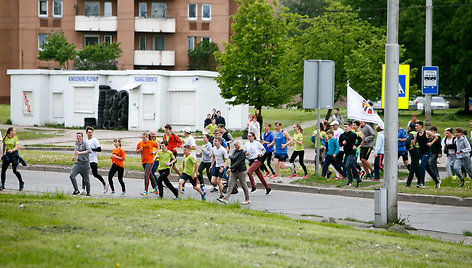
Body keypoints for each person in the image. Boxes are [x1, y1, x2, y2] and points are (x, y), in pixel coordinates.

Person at [217, 140, 250, 204]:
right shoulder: (234, 151)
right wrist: (230, 167)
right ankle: (225, 198)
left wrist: (230, 168)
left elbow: (238, 162)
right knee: (230, 184)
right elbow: (231, 159)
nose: (235, 146)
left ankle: (247, 199)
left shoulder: (242, 153)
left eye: (236, 145)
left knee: (243, 185)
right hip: (233, 171)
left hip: (241, 171)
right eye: (234, 145)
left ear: (239, 145)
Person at [412, 121, 440, 188]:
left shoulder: (427, 133)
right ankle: (437, 181)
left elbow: (436, 137)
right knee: (428, 168)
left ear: (421, 126)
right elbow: (415, 144)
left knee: (421, 166)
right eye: (415, 126)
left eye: (417, 126)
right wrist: (413, 143)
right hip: (421, 153)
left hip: (427, 152)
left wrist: (431, 143)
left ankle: (421, 183)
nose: (416, 127)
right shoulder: (416, 134)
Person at [84, 126, 108, 195]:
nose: (90, 134)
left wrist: (92, 149)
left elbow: (99, 149)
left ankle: (104, 184)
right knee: (84, 174)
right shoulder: (85, 141)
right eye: (89, 132)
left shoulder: (95, 140)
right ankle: (83, 189)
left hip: (93, 160)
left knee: (95, 174)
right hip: (86, 160)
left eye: (91, 132)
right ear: (86, 133)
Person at [338, 122, 363, 187]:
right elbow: (339, 144)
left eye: (346, 127)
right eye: (344, 127)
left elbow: (360, 139)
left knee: (347, 165)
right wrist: (342, 143)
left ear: (350, 127)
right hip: (346, 153)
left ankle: (350, 181)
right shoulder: (342, 135)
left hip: (352, 153)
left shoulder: (353, 134)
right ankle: (358, 179)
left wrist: (356, 145)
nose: (345, 128)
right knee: (351, 166)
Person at [0, 127, 25, 191]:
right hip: (8, 155)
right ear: (10, 132)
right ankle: (2, 185)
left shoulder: (15, 138)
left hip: (14, 155)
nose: (15, 132)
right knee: (3, 170)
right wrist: (2, 154)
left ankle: (21, 182)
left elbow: (16, 147)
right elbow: (4, 146)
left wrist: (12, 150)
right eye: (14, 131)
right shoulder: (5, 138)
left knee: (15, 171)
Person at [136, 132, 159, 196]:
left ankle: (145, 191)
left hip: (150, 160)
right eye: (142, 138)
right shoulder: (140, 143)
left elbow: (158, 147)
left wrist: (154, 151)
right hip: (143, 161)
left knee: (146, 175)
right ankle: (156, 188)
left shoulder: (151, 142)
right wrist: (139, 150)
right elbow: (137, 151)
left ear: (147, 137)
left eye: (144, 138)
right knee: (150, 174)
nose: (143, 139)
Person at [405, 123, 421, 187]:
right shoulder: (417, 133)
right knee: (412, 168)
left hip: (414, 151)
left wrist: (408, 148)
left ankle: (420, 182)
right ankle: (408, 183)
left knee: (416, 168)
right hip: (418, 151)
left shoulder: (411, 133)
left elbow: (407, 141)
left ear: (410, 128)